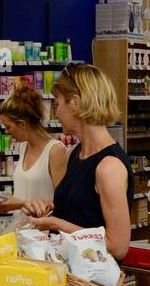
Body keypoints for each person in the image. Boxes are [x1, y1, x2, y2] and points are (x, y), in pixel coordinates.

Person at [21, 64, 131, 259]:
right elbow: (80, 211)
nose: (55, 114)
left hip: (94, 284)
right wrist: (45, 209)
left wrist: (56, 224)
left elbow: (118, 247)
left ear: (75, 102)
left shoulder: (109, 167)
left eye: (57, 104)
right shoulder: (75, 154)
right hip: (70, 277)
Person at [0, 82, 68, 229]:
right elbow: (27, 192)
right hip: (21, 232)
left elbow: (62, 204)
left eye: (8, 127)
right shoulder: (23, 146)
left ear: (22, 124)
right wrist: (10, 203)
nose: (7, 132)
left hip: (43, 236)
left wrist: (20, 204)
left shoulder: (55, 151)